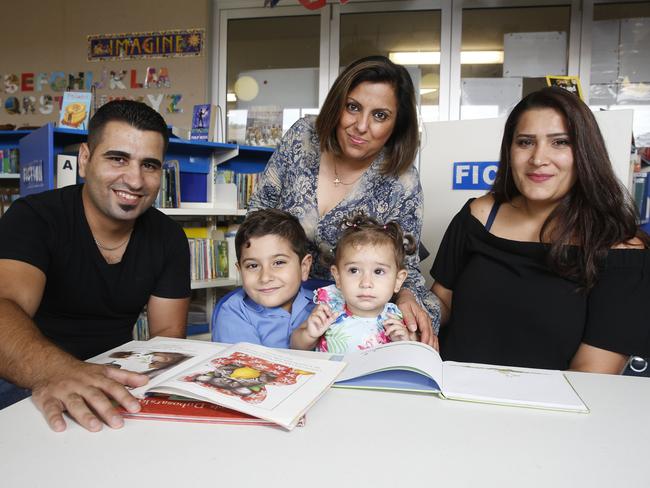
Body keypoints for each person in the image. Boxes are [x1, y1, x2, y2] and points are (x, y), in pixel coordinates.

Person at [0, 100, 191, 431]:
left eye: (149, 165)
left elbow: (167, 338)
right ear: (85, 160)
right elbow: (4, 307)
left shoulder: (169, 237)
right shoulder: (33, 217)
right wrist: (59, 371)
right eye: (118, 159)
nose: (134, 180)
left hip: (112, 378)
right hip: (25, 373)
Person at [430, 87, 650, 373]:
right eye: (525, 142)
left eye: (559, 142)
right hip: (448, 396)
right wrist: (412, 315)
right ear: (509, 150)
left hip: (549, 412)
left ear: (584, 151)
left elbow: (592, 374)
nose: (538, 158)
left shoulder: (621, 249)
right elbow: (442, 301)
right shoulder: (478, 215)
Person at [248, 55, 439, 348]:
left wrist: (407, 299)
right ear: (337, 105)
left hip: (351, 307)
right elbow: (258, 216)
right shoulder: (302, 136)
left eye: (380, 115)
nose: (361, 126)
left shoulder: (402, 180)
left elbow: (404, 265)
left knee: (417, 328)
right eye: (353, 107)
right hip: (277, 290)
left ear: (396, 125)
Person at [291, 214, 417, 353]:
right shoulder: (330, 307)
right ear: (337, 276)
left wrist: (404, 343)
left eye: (379, 271)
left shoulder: (396, 317)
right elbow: (295, 345)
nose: (366, 283)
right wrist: (309, 334)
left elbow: (414, 357)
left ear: (398, 280)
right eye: (354, 270)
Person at [212, 208, 314, 348]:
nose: (265, 277)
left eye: (278, 263)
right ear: (240, 271)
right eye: (253, 266)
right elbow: (250, 368)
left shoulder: (324, 304)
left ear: (304, 267)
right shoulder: (234, 313)